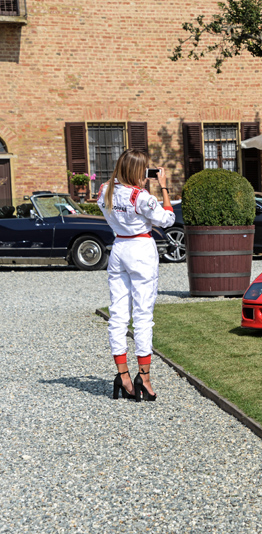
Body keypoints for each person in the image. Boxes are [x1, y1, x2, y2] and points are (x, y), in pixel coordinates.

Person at [98, 149, 175, 402]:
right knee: (143, 315)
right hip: (140, 249)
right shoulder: (141, 196)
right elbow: (168, 219)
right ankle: (145, 377)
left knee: (118, 315)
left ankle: (123, 375)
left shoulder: (105, 191)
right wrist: (163, 189)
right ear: (138, 171)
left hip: (119, 247)